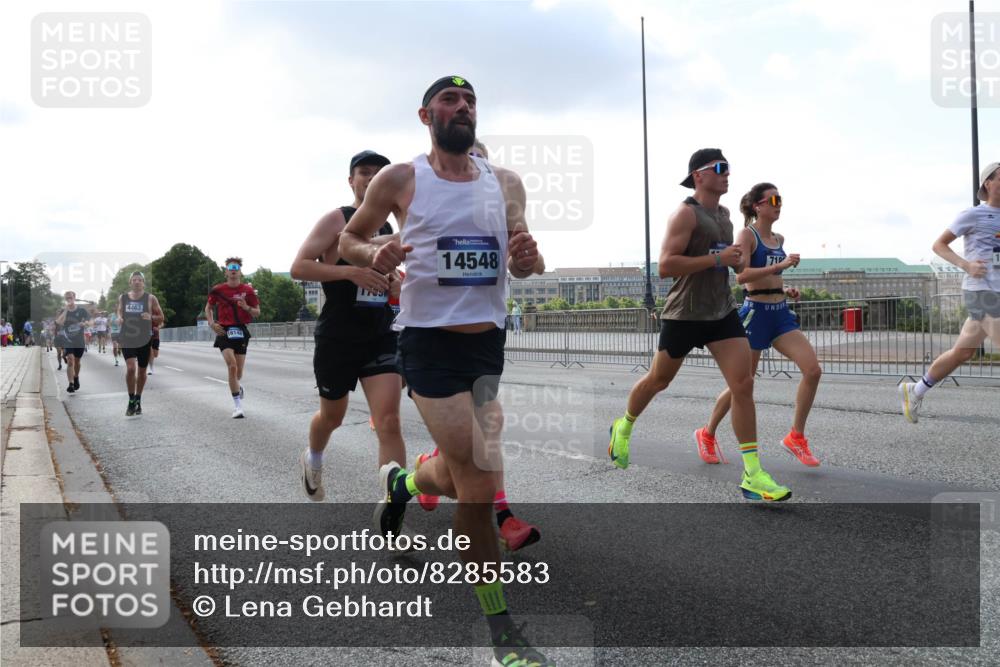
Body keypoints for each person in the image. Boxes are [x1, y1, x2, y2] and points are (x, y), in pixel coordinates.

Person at [340, 75, 552, 666]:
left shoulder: (504, 182)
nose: (462, 108)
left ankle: (404, 482)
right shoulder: (401, 179)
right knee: (481, 480)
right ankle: (502, 633)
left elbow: (525, 258)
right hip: (427, 343)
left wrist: (530, 258)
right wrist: (374, 253)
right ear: (426, 115)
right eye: (450, 101)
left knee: (466, 476)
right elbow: (352, 239)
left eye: (471, 101)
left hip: (487, 345)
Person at [608, 148, 792, 502]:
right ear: (698, 176)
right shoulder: (685, 214)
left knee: (743, 384)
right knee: (658, 380)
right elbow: (665, 265)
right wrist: (717, 258)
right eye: (720, 168)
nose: (727, 174)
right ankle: (624, 425)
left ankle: (753, 473)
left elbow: (732, 265)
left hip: (721, 311)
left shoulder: (724, 216)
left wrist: (741, 265)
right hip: (685, 314)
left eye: (728, 169)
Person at [290, 149, 405, 502]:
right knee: (332, 416)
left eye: (379, 172)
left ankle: (392, 516)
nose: (372, 178)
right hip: (339, 336)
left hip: (380, 333)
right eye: (364, 172)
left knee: (388, 421)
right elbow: (299, 267)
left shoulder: (388, 228)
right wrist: (351, 271)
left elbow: (391, 278)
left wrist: (397, 284)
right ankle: (314, 457)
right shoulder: (337, 220)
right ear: (351, 180)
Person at [695, 183, 822, 467]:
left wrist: (784, 288)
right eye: (774, 199)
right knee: (743, 384)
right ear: (758, 206)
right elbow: (742, 276)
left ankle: (796, 437)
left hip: (780, 313)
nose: (779, 204)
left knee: (813, 370)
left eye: (781, 199)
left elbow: (771, 277)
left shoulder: (779, 237)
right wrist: (781, 267)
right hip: (755, 315)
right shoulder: (746, 235)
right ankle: (707, 433)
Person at [900, 161, 1000, 421]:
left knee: (962, 352)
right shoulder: (973, 214)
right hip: (980, 291)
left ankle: (916, 390)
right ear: (987, 183)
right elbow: (939, 244)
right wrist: (966, 264)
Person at [205, 258, 261, 418]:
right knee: (232, 366)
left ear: (240, 271)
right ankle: (237, 406)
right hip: (224, 330)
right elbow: (208, 307)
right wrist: (211, 323)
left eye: (236, 267)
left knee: (239, 372)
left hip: (241, 330)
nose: (233, 270)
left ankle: (237, 385)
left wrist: (246, 307)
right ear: (226, 272)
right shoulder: (218, 290)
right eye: (230, 267)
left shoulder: (248, 290)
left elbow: (257, 312)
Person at [118, 271, 164, 416]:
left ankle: (138, 398)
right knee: (131, 368)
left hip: (144, 338)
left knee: (142, 371)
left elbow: (161, 318)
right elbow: (119, 311)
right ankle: (131, 400)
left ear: (143, 283)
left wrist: (150, 316)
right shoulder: (123, 298)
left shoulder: (150, 298)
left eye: (139, 280)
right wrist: (119, 318)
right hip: (127, 337)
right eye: (134, 280)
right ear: (130, 282)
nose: (137, 282)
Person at [54, 291, 91, 393]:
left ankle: (76, 377)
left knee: (77, 362)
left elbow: (89, 320)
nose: (69, 299)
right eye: (67, 298)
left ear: (74, 297)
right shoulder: (64, 311)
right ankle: (70, 383)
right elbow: (58, 322)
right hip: (67, 339)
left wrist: (86, 323)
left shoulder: (82, 310)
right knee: (70, 360)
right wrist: (66, 310)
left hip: (79, 339)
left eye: (70, 297)